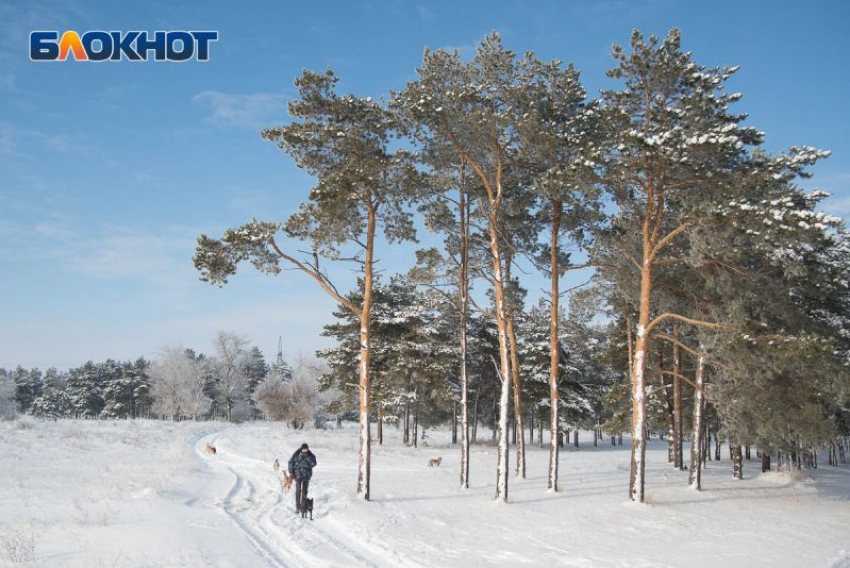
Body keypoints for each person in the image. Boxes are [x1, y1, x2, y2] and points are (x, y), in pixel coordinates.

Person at [288, 442, 317, 512]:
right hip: (297, 475)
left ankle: (303, 506)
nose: (304, 451)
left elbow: (314, 464)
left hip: (306, 476)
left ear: (307, 449)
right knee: (298, 491)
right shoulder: (296, 454)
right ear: (301, 449)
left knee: (304, 491)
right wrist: (291, 472)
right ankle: (297, 507)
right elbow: (290, 462)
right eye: (303, 450)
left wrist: (308, 457)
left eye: (306, 450)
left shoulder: (311, 455)